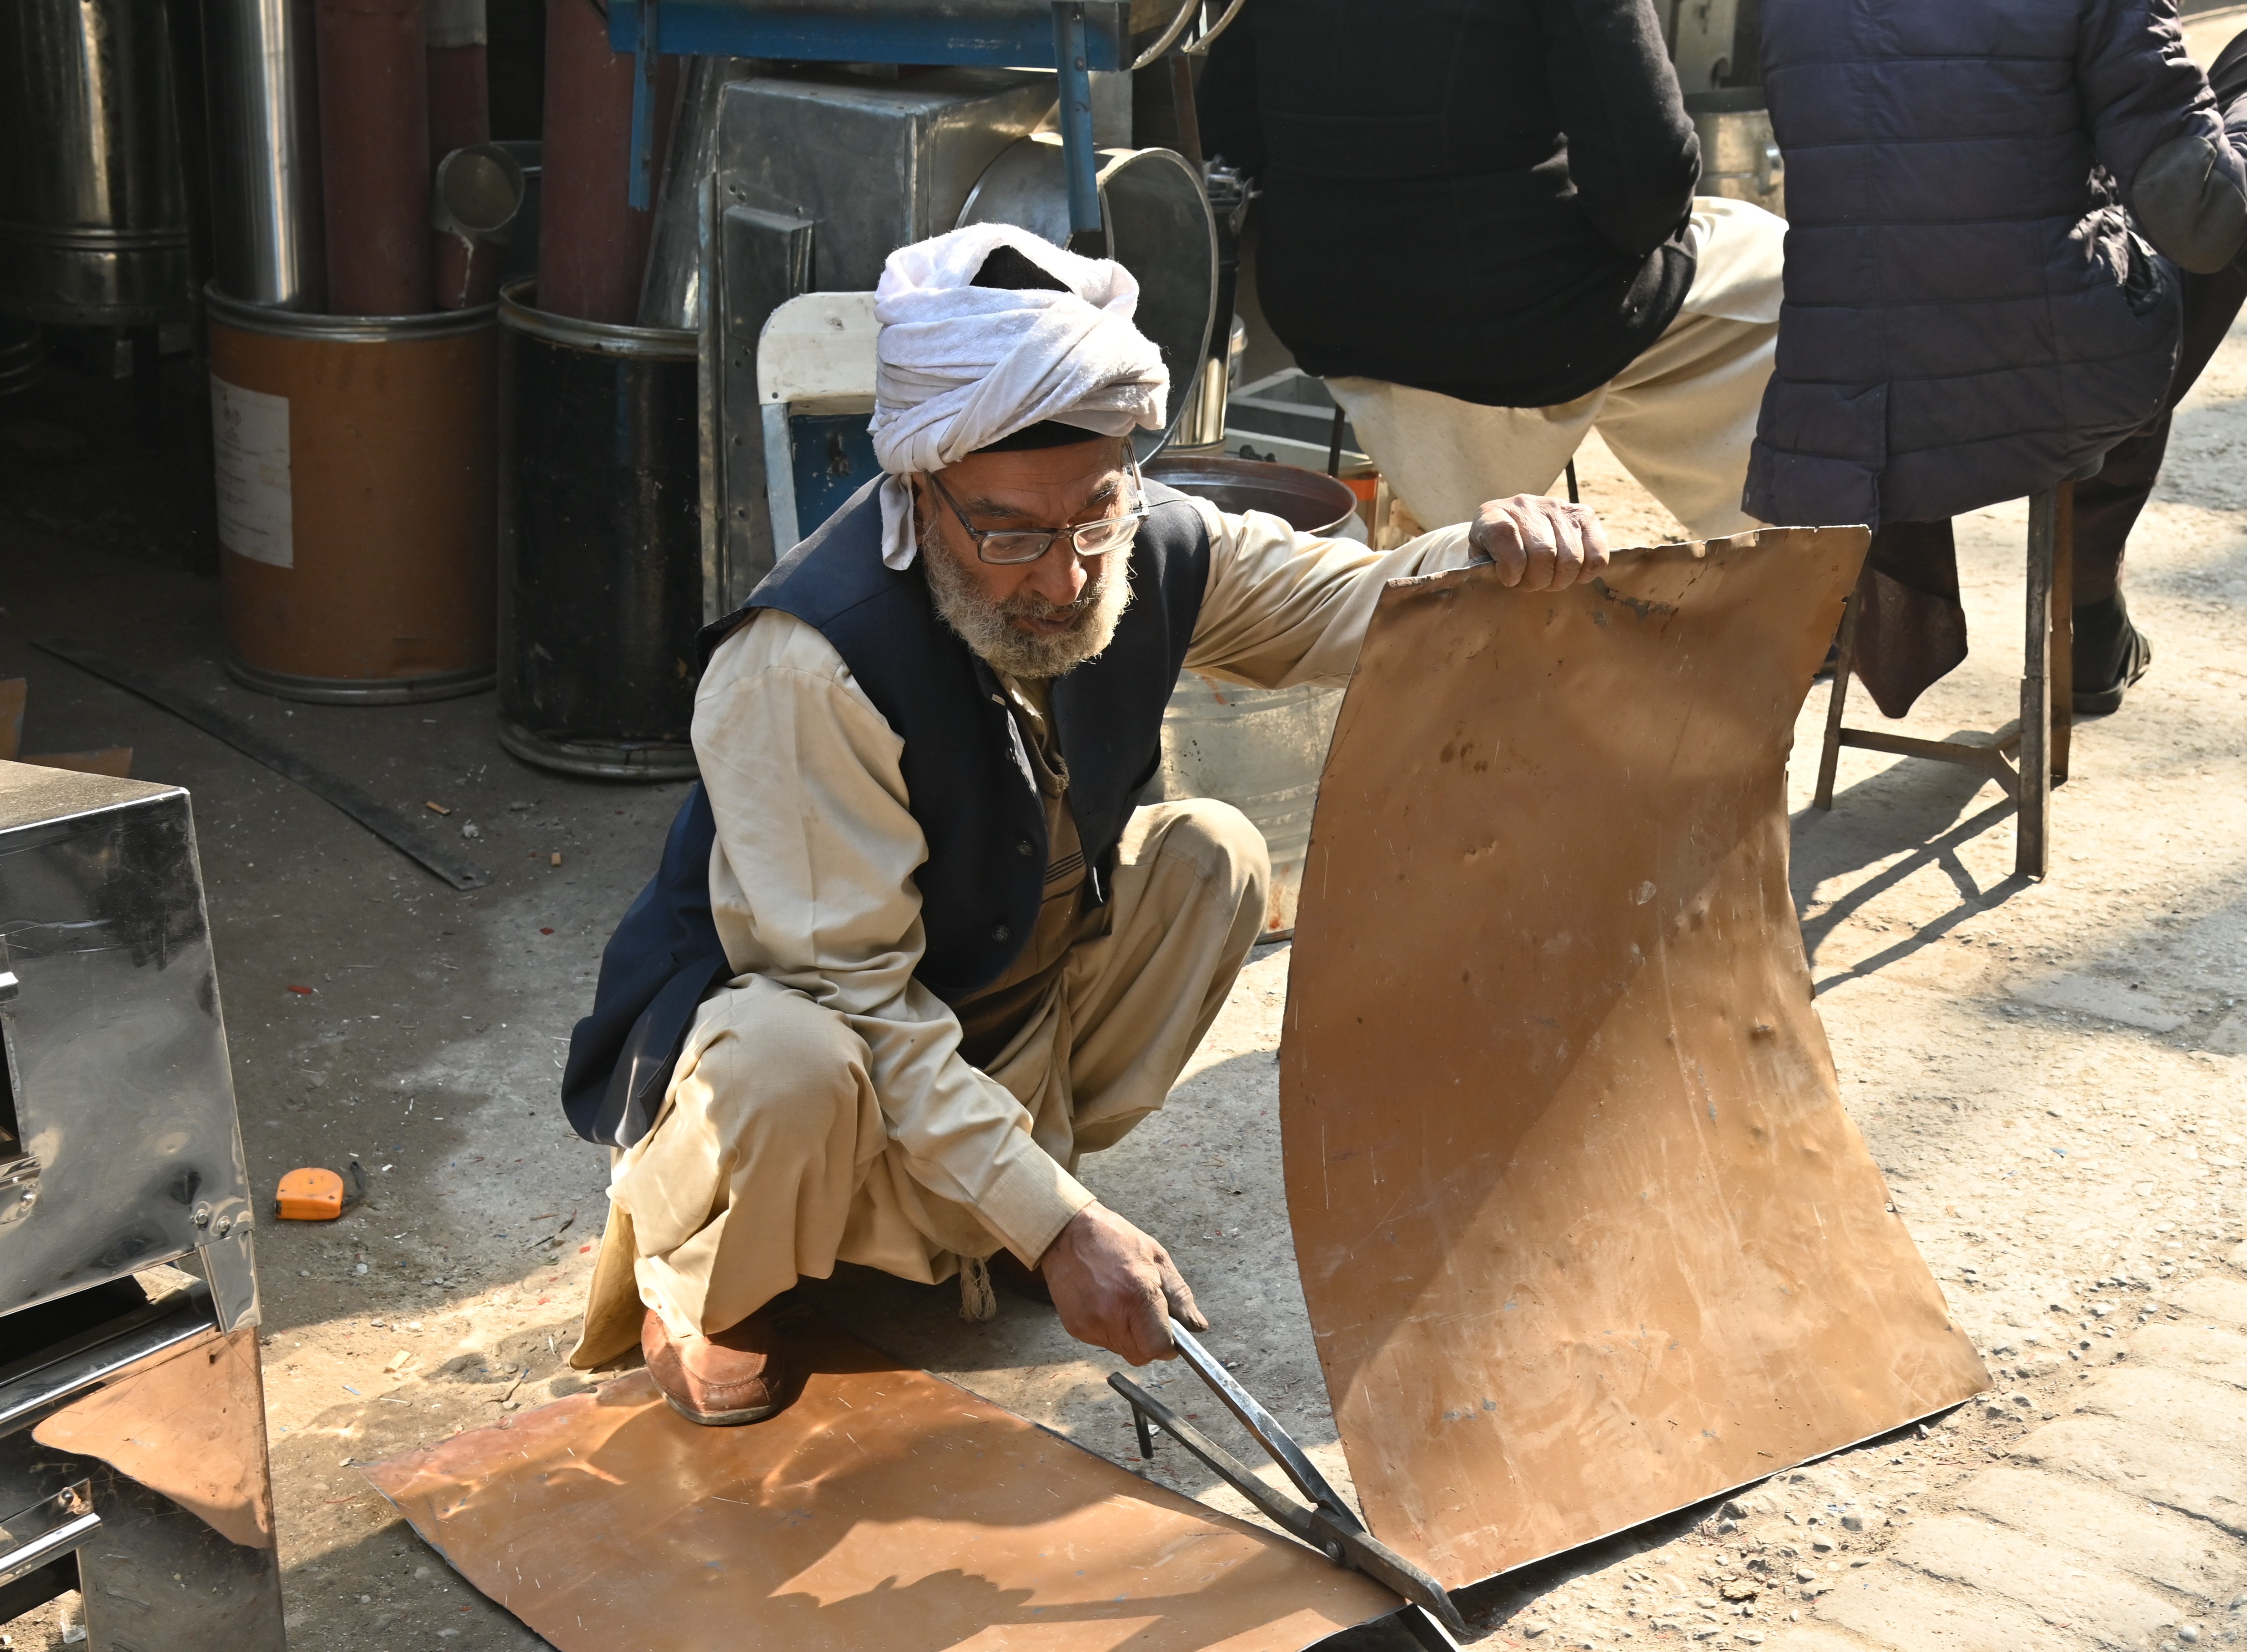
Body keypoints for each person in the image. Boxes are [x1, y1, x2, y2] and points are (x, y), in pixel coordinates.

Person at [558, 223, 1609, 1426]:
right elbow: (864, 1008)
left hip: (993, 1009)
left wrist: (1480, 556)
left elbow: (1342, 606)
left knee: (1212, 859)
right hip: (827, 1053)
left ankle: (979, 1210)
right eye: (1010, 535)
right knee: (786, 1063)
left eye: (1094, 518)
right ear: (918, 489)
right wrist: (1062, 1228)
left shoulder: (1141, 544)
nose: (1062, 579)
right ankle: (702, 1294)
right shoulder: (804, 663)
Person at [1748, 7, 2247, 717]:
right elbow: (2203, 219)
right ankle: (2089, 595)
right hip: (2049, 388)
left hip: (1842, 409)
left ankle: (2087, 607)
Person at [1198, 0, 1783, 539]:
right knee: (1784, 270)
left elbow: (1227, 132)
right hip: (1509, 329)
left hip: (1321, 311)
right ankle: (1782, 551)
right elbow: (1648, 183)